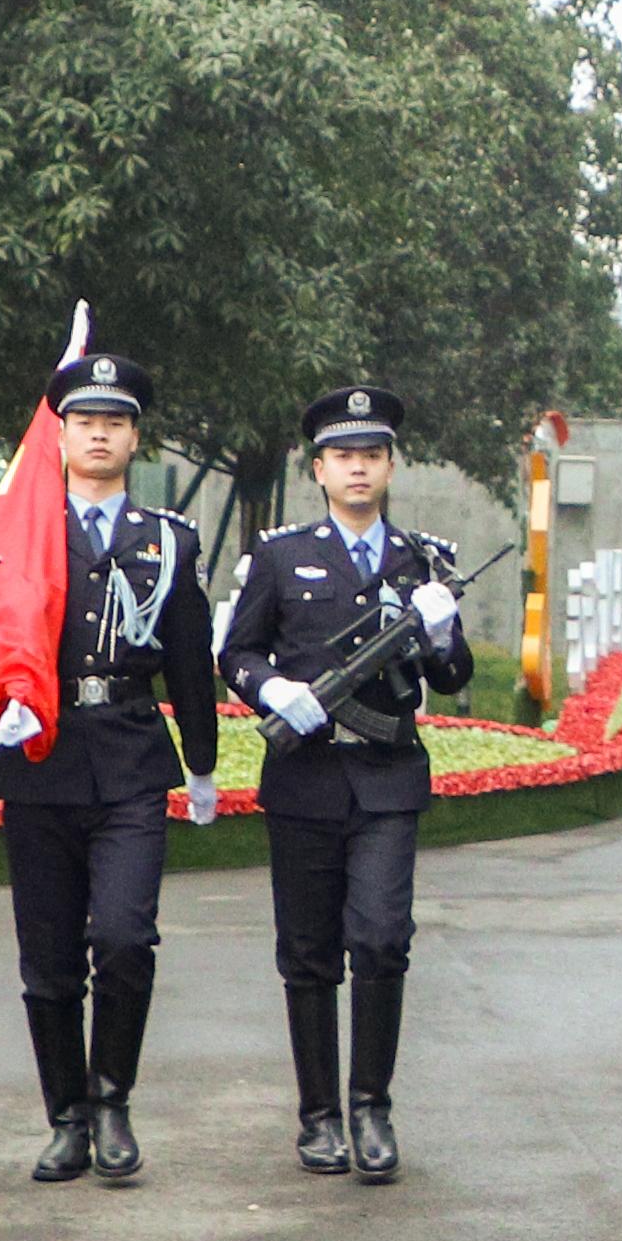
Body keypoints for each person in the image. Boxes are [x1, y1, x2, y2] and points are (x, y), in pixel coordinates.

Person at [0, 311, 222, 1188]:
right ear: (63, 435)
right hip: (41, 753)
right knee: (46, 956)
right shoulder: (16, 532)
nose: (101, 433)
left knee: (122, 937)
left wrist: (202, 761)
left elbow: (191, 658)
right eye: (84, 420)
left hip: (128, 753)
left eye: (116, 422)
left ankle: (112, 1098)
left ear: (134, 437)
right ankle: (65, 1118)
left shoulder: (169, 538)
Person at [217, 382, 469, 1183]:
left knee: (383, 938)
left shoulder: (422, 560)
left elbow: (456, 673)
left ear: (390, 466)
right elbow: (237, 655)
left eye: (372, 455)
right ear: (318, 470)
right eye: (342, 457)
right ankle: (319, 1116)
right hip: (306, 782)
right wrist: (271, 690)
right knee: (309, 952)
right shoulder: (281, 557)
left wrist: (438, 632)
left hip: (388, 780)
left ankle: (372, 1105)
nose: (357, 469)